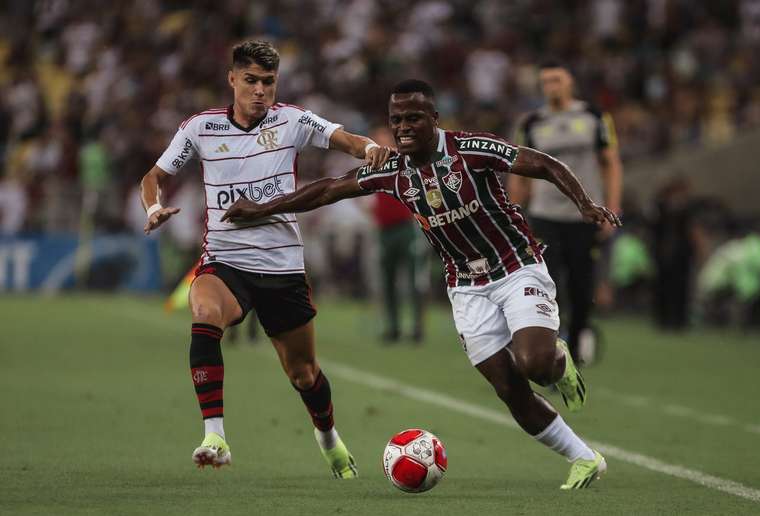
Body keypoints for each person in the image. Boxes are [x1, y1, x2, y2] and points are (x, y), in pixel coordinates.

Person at [222, 80, 621, 489]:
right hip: (465, 287)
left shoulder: (470, 148)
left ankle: (559, 359)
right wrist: (262, 209)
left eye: (413, 118)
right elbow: (328, 190)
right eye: (396, 120)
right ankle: (585, 458)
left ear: (434, 119)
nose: (404, 127)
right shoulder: (392, 169)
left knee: (535, 364)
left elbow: (545, 164)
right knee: (508, 387)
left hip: (516, 267)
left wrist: (585, 202)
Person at [140, 40, 391, 476]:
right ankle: (214, 435)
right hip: (225, 259)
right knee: (204, 312)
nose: (260, 90)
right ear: (232, 79)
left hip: (282, 267)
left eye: (268, 82)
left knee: (303, 374)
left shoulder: (292, 121)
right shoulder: (201, 128)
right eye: (251, 80)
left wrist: (369, 149)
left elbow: (346, 139)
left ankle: (327, 435)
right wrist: (153, 207)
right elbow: (154, 176)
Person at [508, 61, 623, 363]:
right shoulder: (531, 123)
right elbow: (517, 171)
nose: (551, 87)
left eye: (557, 80)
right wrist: (513, 211)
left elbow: (610, 162)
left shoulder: (594, 117)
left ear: (570, 82)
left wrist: (612, 206)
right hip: (544, 214)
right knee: (546, 283)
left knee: (582, 284)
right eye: (545, 82)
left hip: (583, 215)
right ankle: (551, 346)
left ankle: (580, 335)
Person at [370, 126, 427, 343]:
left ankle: (417, 327)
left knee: (414, 280)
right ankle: (393, 327)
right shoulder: (372, 164)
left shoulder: (404, 160)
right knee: (388, 280)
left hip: (406, 227)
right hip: (384, 230)